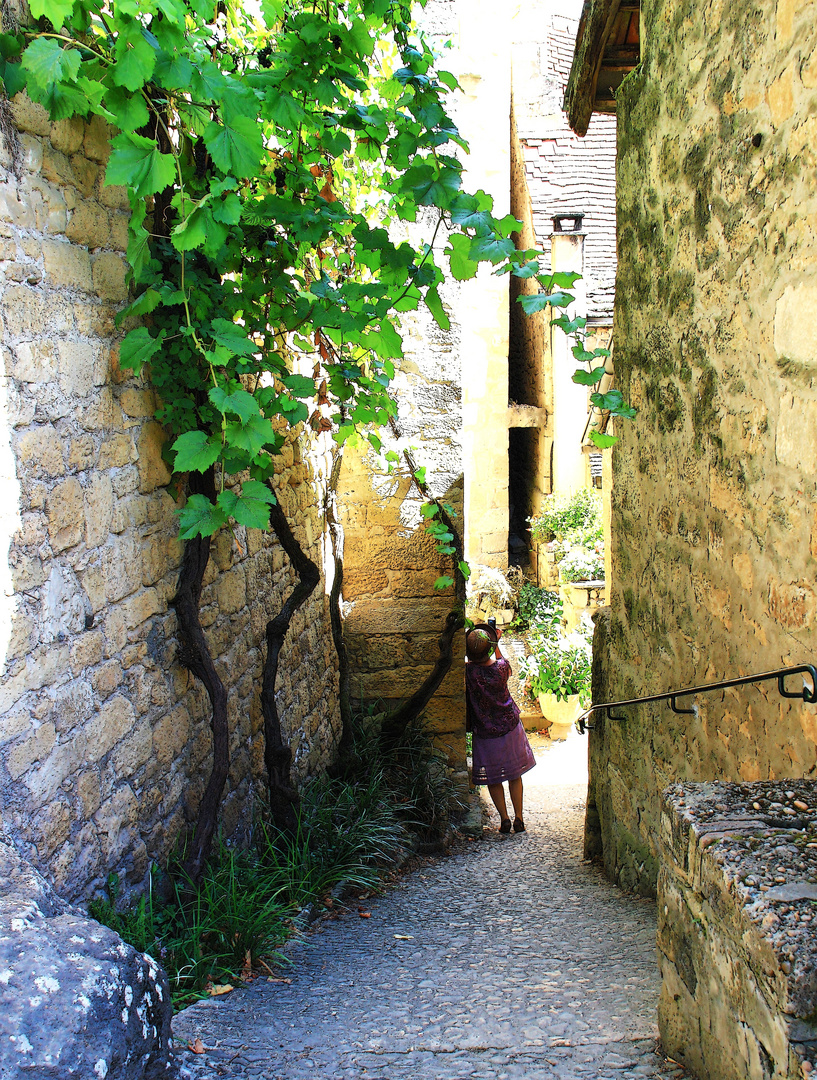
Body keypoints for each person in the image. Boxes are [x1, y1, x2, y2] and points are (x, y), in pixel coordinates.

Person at [465, 624, 536, 834]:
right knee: (515, 775)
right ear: (491, 647)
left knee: (493, 777)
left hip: (485, 732)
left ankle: (504, 818)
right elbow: (506, 664)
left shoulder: (469, 673)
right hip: (510, 728)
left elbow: (473, 663)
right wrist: (496, 643)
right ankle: (519, 818)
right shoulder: (501, 669)